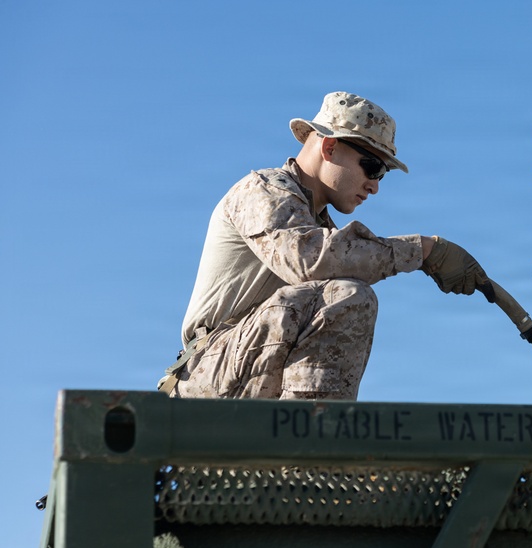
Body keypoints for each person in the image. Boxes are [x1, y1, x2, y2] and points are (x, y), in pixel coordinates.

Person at [159, 91, 488, 401]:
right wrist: (423, 249)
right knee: (347, 296)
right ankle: (310, 448)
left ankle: (310, 442)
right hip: (205, 376)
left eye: (382, 175)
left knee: (345, 293)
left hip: (242, 371)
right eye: (371, 167)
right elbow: (309, 259)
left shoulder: (318, 226)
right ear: (329, 147)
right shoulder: (263, 191)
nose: (374, 186)